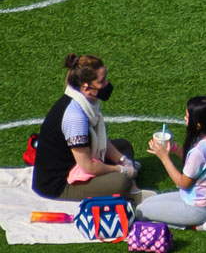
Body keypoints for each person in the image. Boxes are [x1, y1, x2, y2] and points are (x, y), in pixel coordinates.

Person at [31, 54, 138, 200]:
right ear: (86, 87)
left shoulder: (87, 101)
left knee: (124, 147)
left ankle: (124, 174)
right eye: (102, 81)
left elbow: (101, 141)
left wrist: (122, 160)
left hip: (77, 162)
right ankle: (127, 183)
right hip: (59, 184)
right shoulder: (75, 116)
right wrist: (121, 170)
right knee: (121, 182)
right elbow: (88, 166)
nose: (107, 84)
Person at [136, 96, 206, 231]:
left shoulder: (200, 151)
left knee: (140, 212)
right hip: (202, 202)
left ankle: (198, 225)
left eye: (187, 116)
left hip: (197, 210)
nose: (184, 118)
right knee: (146, 203)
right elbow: (196, 164)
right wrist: (174, 148)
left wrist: (164, 157)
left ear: (198, 124)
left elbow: (183, 183)